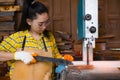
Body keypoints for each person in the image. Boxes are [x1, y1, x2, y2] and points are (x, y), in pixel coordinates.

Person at [0, 0, 73, 80]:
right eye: (40, 24)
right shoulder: (18, 38)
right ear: (29, 22)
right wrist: (17, 55)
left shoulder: (49, 37)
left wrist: (62, 60)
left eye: (46, 22)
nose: (44, 27)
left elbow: (55, 57)